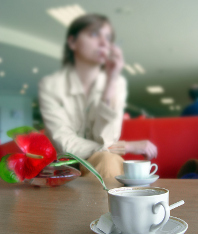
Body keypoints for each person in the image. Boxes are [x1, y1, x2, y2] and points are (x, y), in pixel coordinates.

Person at [38, 14, 157, 179]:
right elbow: (66, 144)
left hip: (101, 162)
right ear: (72, 42)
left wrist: (111, 81)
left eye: (108, 38)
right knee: (108, 160)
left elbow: (107, 138)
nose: (104, 43)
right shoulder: (50, 86)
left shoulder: (117, 83)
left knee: (106, 160)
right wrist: (126, 146)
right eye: (94, 34)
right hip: (63, 165)